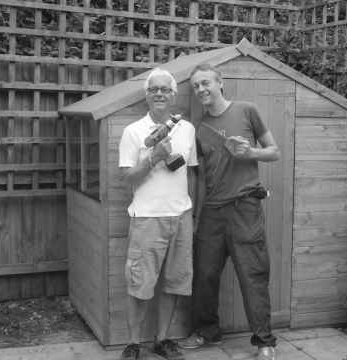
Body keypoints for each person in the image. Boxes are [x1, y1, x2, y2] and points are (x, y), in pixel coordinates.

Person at [179, 63, 281, 360]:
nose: (201, 90)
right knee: (205, 275)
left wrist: (250, 152)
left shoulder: (247, 110)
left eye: (205, 83)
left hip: (244, 207)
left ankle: (264, 341)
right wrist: (195, 215)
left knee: (252, 274)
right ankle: (207, 332)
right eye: (196, 86)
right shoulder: (199, 130)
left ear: (220, 82)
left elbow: (273, 151)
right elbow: (198, 177)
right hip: (212, 211)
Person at [118, 68, 198, 360]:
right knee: (140, 284)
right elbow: (127, 179)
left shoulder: (187, 129)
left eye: (165, 89)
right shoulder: (133, 132)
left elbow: (191, 174)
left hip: (181, 217)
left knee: (174, 281)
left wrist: (193, 211)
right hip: (147, 218)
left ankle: (162, 339)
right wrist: (152, 157)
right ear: (147, 95)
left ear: (174, 95)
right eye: (154, 89)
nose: (160, 93)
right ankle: (133, 343)